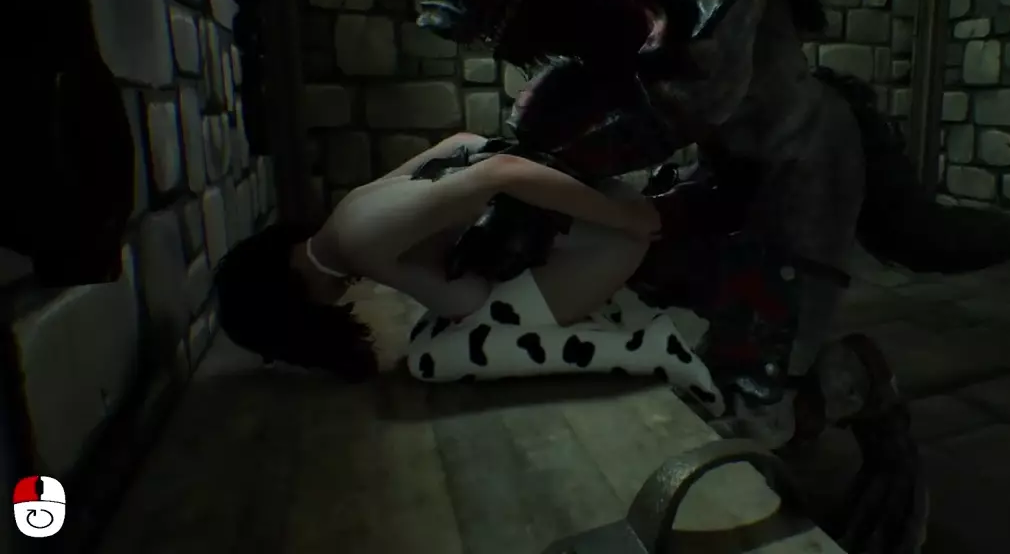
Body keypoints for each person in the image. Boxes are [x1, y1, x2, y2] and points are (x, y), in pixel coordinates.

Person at [212, 133, 721, 410]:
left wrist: (627, 219)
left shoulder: (358, 238)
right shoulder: (346, 221)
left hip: (609, 238)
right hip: (590, 229)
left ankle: (653, 349)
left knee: (437, 358)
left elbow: (500, 172)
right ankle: (634, 319)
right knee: (434, 342)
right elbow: (461, 142)